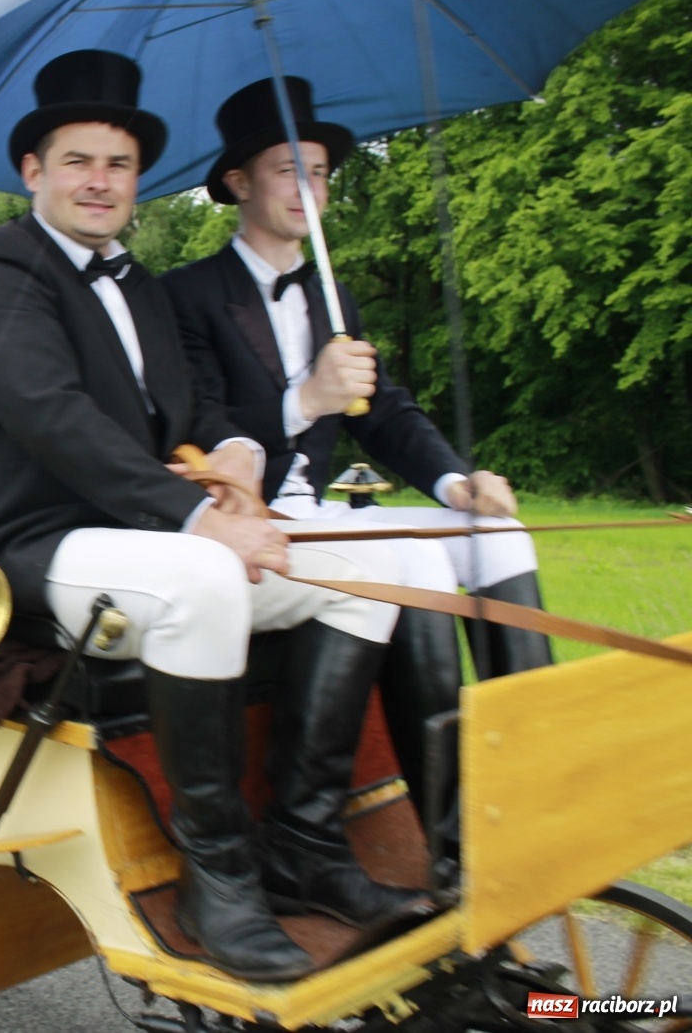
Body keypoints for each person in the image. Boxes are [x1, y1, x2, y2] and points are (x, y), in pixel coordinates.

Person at [0, 49, 432, 982]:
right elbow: (50, 413)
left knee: (371, 568)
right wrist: (196, 518)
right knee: (205, 573)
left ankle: (304, 841)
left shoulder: (139, 283)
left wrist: (239, 459)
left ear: (136, 179)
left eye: (119, 163)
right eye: (79, 160)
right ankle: (219, 879)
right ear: (34, 170)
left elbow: (197, 411)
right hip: (40, 547)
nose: (100, 180)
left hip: (146, 541)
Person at [162, 78, 553, 821]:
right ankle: (453, 832)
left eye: (318, 173)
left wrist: (456, 482)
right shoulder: (185, 294)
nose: (309, 190)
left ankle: (531, 790)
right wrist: (305, 400)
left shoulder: (331, 297)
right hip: (251, 519)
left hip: (325, 514)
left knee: (498, 534)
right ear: (239, 183)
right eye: (289, 171)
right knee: (414, 560)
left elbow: (384, 410)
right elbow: (196, 420)